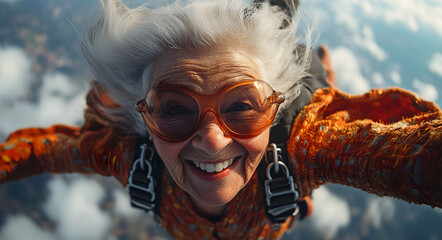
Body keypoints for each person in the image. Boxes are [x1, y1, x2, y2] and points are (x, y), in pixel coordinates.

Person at [1, 0, 441, 239]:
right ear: (144, 117)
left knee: (295, 181)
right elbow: (36, 154)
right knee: (292, 200)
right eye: (174, 109)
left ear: (275, 107)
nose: (211, 141)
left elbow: (414, 155)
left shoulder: (307, 147)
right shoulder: (127, 155)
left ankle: (315, 73)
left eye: (242, 106)